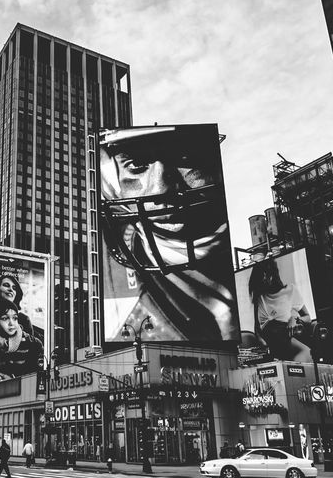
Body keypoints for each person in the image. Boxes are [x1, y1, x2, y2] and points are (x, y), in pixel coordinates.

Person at [97, 124, 238, 342]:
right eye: (137, 163)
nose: (160, 188)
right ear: (110, 179)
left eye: (185, 158)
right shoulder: (111, 288)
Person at [246, 255, 315, 362]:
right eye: (261, 276)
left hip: (287, 337)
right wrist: (263, 345)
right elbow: (257, 329)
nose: (264, 279)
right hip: (270, 345)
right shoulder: (260, 297)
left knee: (304, 355)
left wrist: (295, 319)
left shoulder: (290, 290)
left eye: (266, 275)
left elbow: (308, 317)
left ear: (273, 273)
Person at [0, 298, 43, 381]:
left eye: (15, 318)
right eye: (4, 318)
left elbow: (38, 376)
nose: (11, 323)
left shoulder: (32, 344)